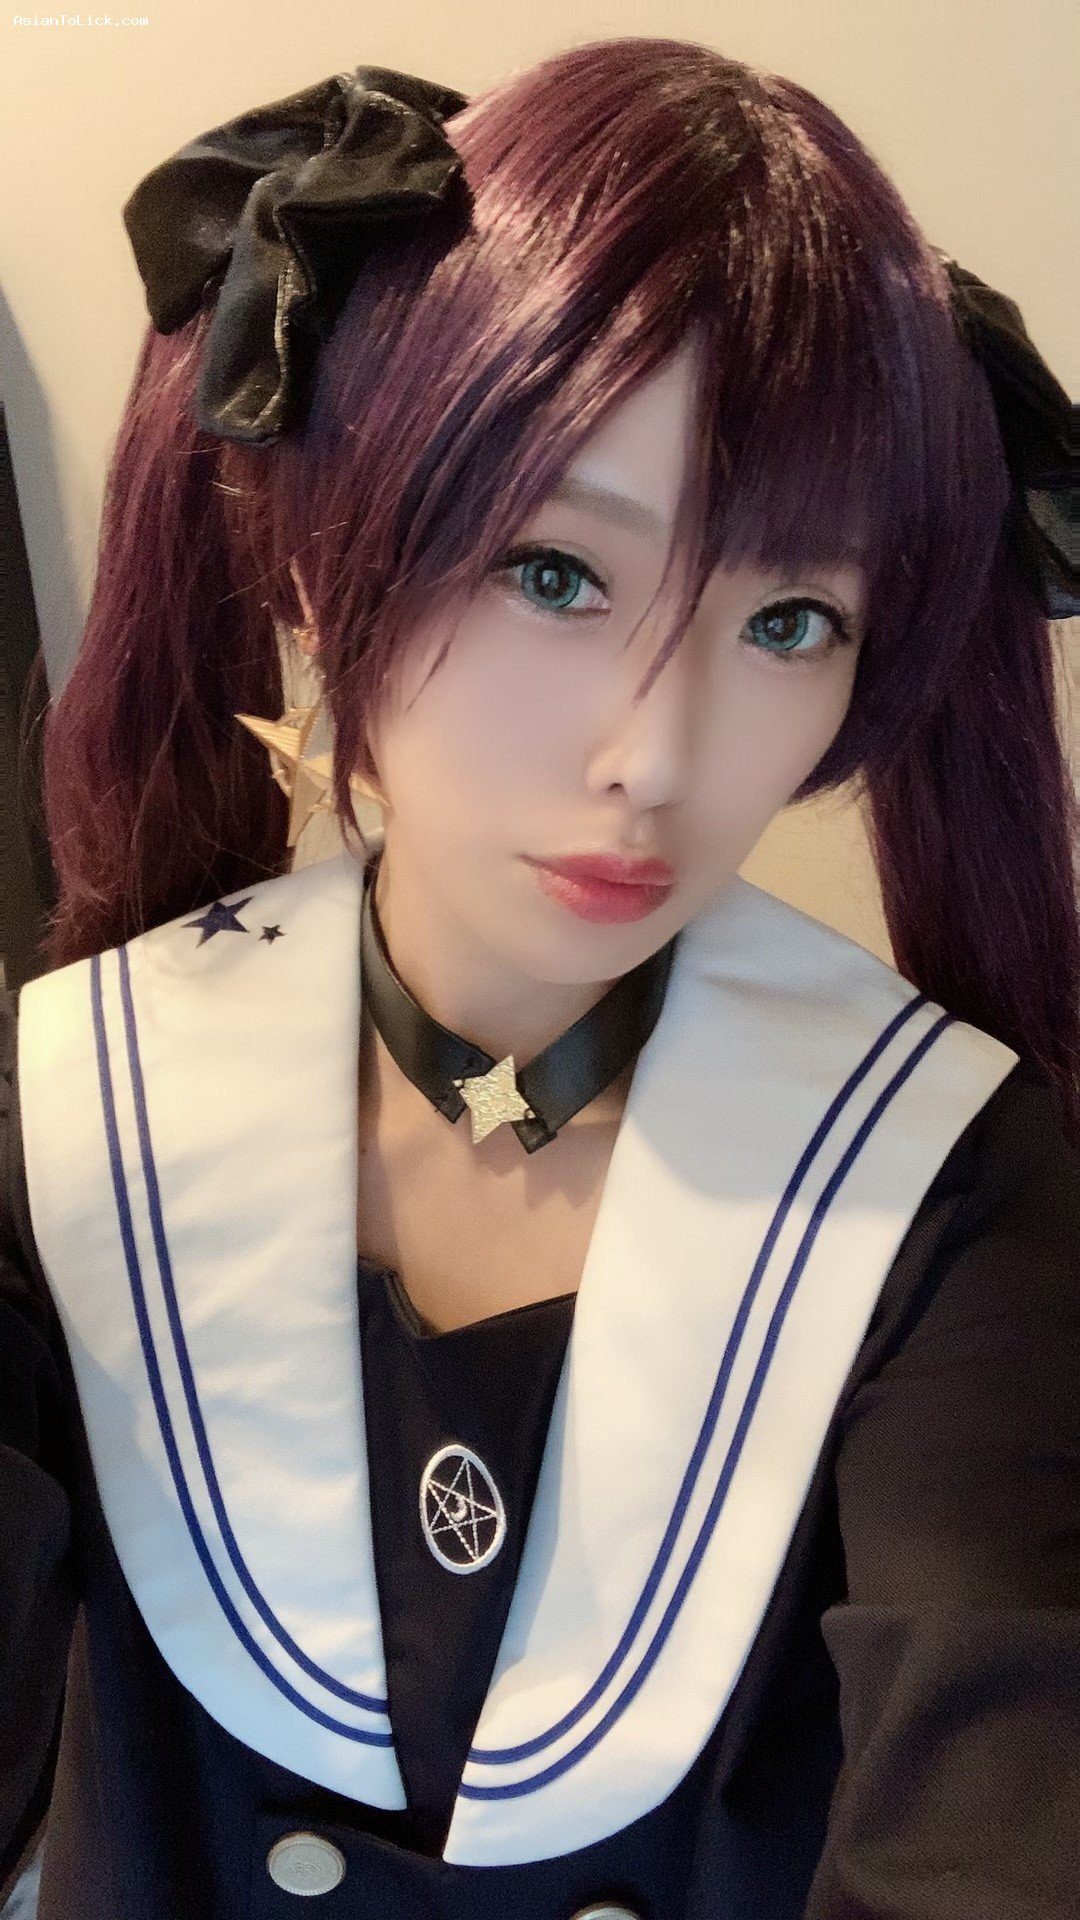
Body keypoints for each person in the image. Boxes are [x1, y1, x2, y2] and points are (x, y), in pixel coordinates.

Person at [2, 36, 1078, 1920]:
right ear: (317, 557)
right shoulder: (73, 1103)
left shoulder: (946, 1178)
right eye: (557, 575)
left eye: (789, 619)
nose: (656, 758)